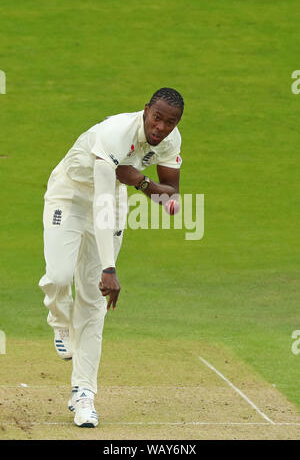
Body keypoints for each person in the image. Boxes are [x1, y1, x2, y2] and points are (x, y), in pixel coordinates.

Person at [38, 87, 184, 428]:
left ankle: (84, 394)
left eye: (170, 122)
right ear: (145, 110)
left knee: (93, 301)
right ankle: (60, 321)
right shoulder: (116, 134)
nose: (161, 127)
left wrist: (142, 184)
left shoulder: (172, 140)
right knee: (59, 276)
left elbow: (170, 195)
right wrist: (109, 268)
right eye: (157, 117)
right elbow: (100, 203)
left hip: (115, 199)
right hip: (71, 195)